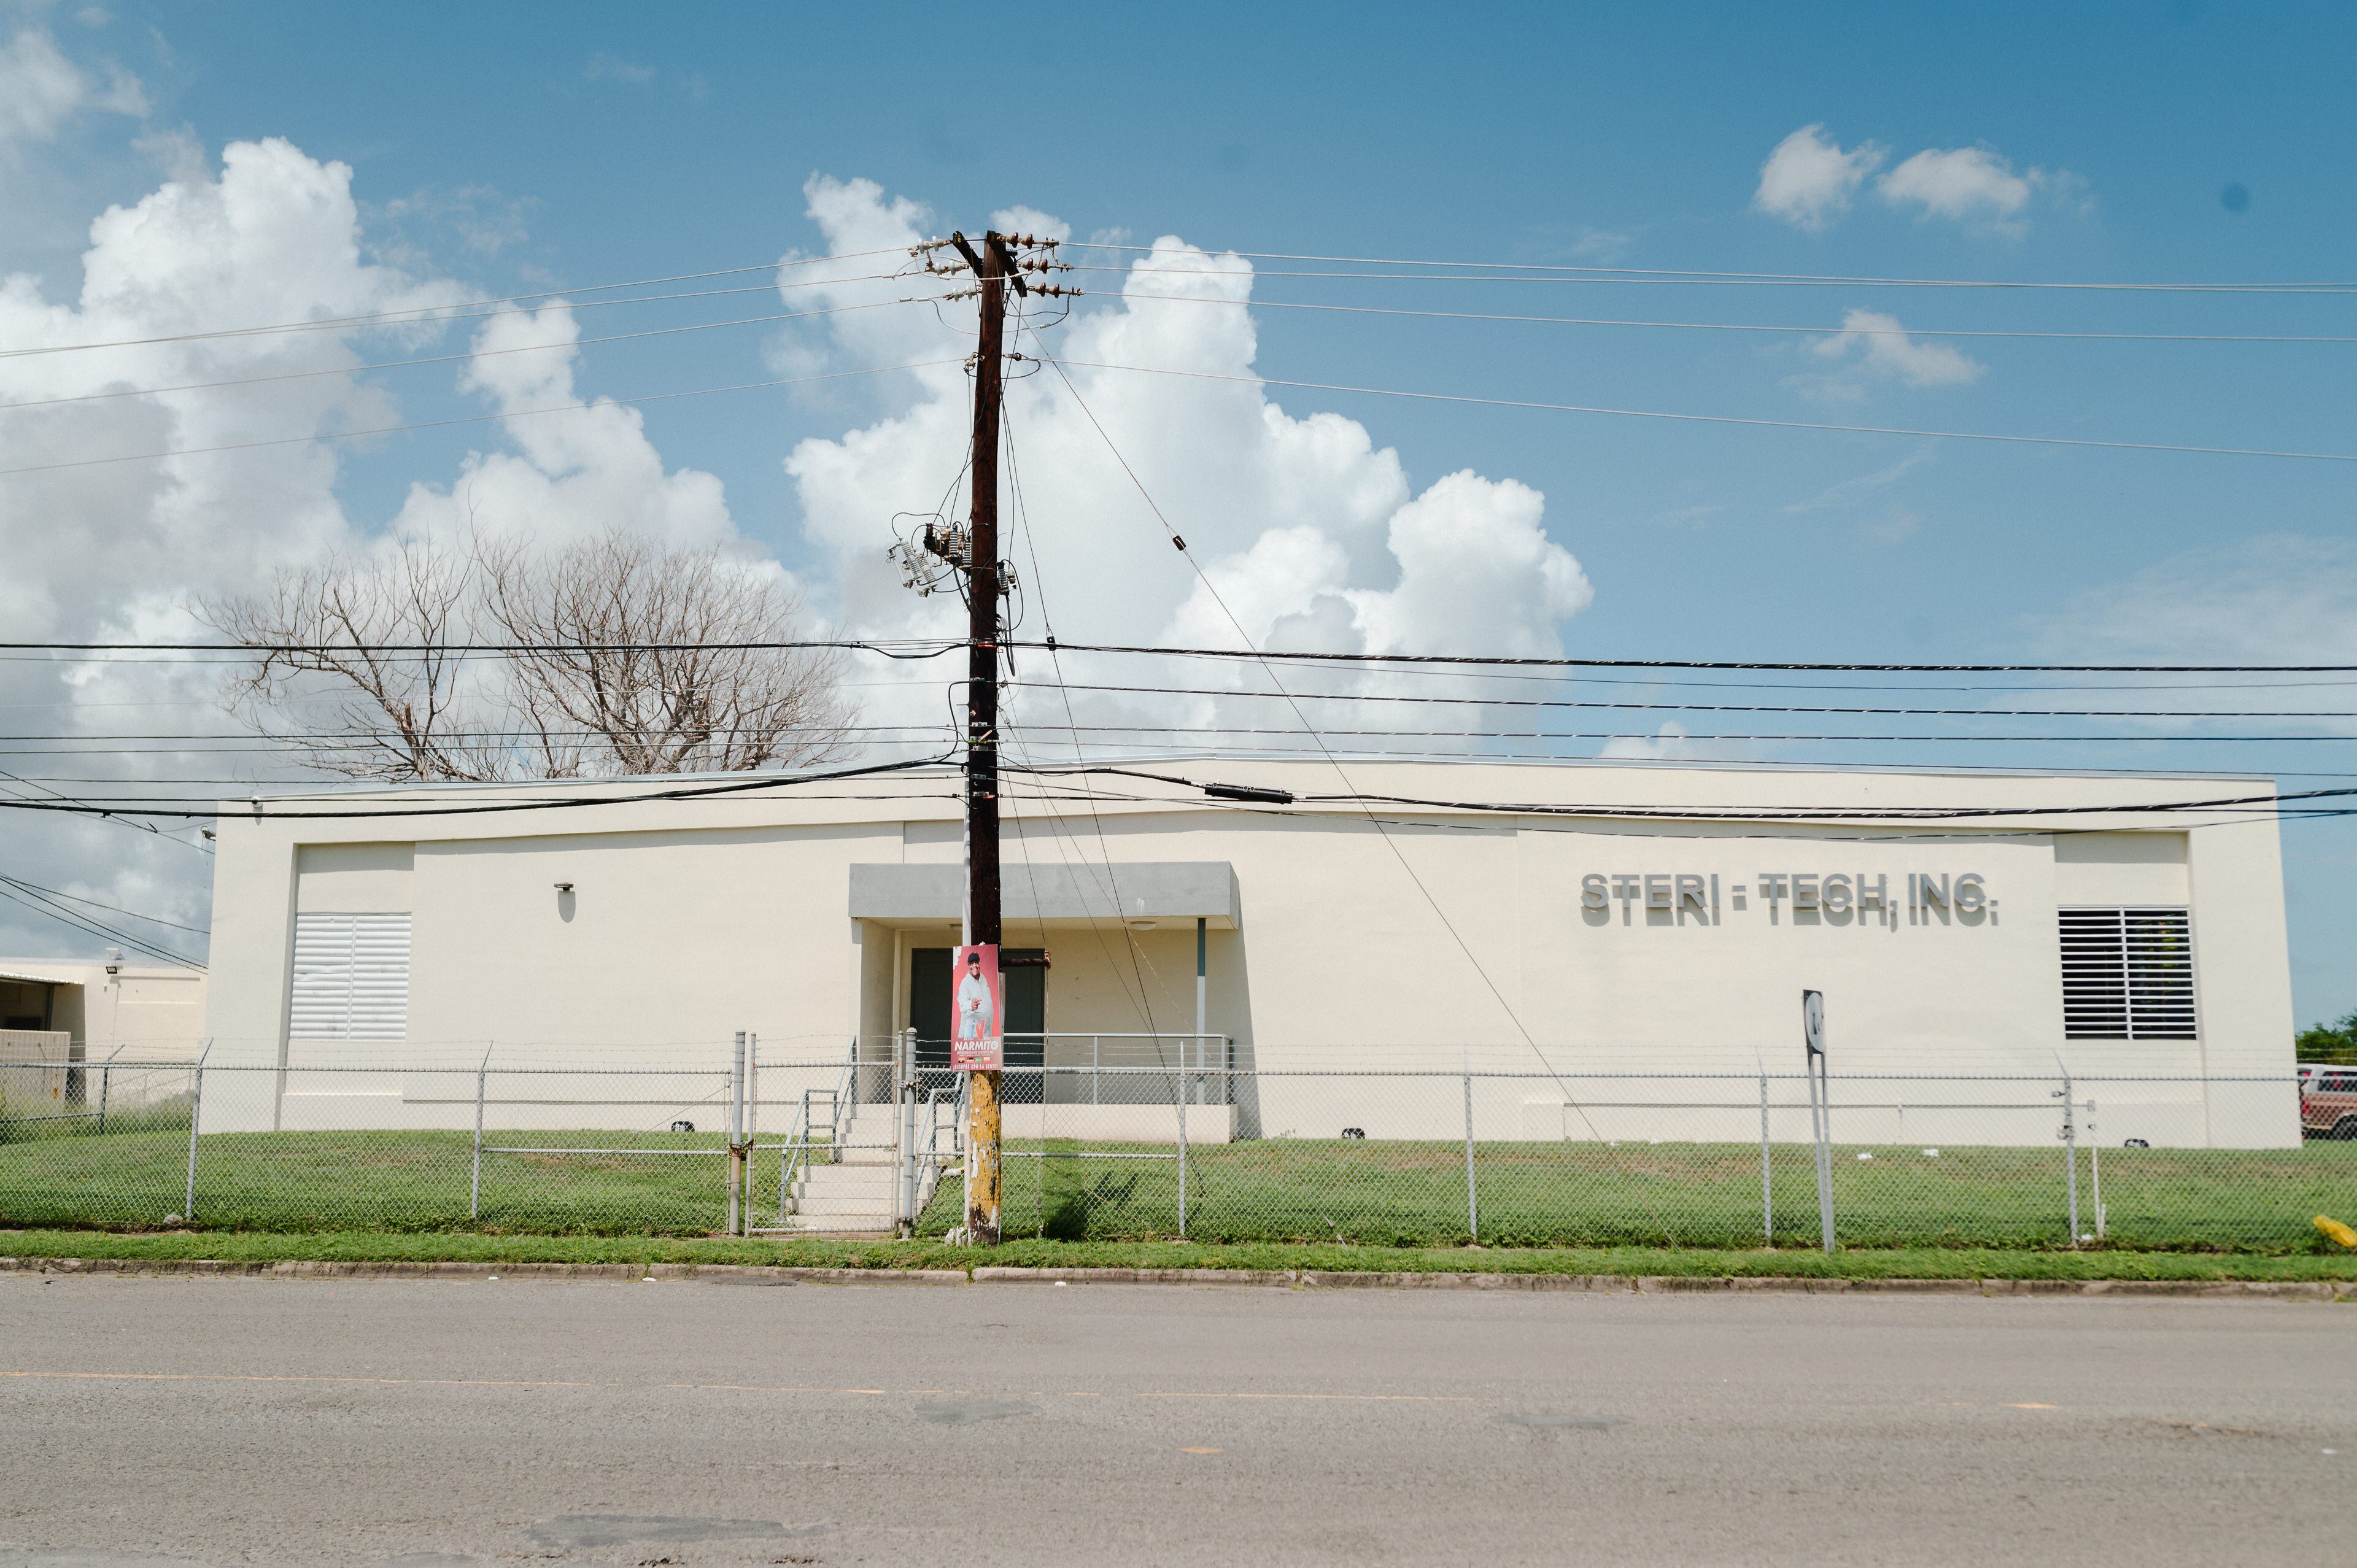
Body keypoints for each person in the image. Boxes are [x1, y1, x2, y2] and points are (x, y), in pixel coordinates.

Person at [954, 948, 995, 1047]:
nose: (975, 966)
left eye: (976, 963)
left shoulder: (983, 978)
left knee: (984, 1060)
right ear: (968, 965)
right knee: (971, 1058)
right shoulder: (965, 983)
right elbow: (963, 1005)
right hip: (972, 1028)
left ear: (980, 964)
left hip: (985, 1030)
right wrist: (971, 1005)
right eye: (972, 964)